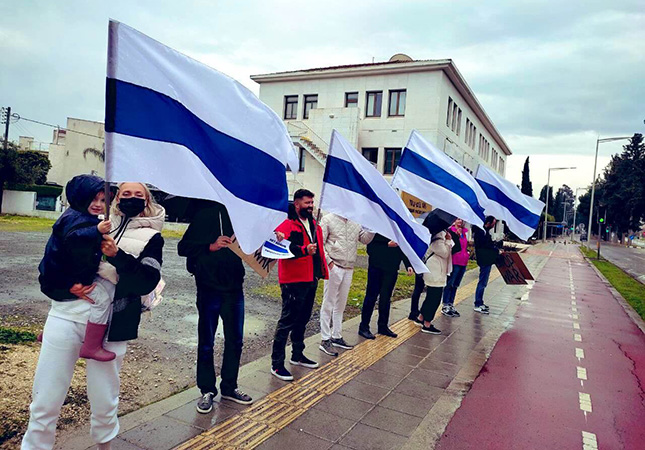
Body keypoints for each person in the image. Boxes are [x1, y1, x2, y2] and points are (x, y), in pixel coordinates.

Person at [22, 182, 165, 450]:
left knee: (104, 397)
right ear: (116, 198)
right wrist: (67, 286)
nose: (131, 199)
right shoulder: (87, 221)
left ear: (147, 201)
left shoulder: (152, 238)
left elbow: (146, 281)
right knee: (45, 397)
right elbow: (49, 266)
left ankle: (104, 445)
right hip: (64, 316)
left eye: (139, 195)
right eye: (125, 194)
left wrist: (117, 256)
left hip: (113, 325)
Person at [177, 200, 253, 413]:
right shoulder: (205, 215)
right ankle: (207, 390)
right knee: (207, 342)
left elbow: (255, 246)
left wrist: (275, 239)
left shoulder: (241, 218)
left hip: (234, 289)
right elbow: (182, 248)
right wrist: (210, 246)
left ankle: (229, 386)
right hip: (208, 288)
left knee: (236, 340)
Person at [37, 175, 115, 361]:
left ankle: (48, 333)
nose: (98, 204)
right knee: (103, 300)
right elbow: (74, 239)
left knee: (64, 313)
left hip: (59, 276)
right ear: (80, 197)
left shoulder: (77, 215)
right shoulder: (78, 220)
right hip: (63, 279)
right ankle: (92, 346)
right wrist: (96, 231)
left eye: (104, 200)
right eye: (93, 199)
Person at [271, 189, 329, 381]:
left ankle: (297, 354)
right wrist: (302, 248)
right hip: (292, 280)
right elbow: (282, 245)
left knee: (302, 319)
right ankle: (277, 364)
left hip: (310, 278)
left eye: (312, 203)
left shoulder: (314, 224)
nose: (310, 206)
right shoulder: (288, 223)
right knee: (287, 320)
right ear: (296, 204)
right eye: (306, 203)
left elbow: (318, 250)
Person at [318, 213, 373, 356]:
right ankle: (325, 338)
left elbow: (365, 239)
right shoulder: (328, 219)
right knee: (328, 303)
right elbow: (320, 243)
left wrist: (374, 226)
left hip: (348, 267)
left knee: (340, 305)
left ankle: (336, 335)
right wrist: (329, 262)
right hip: (334, 265)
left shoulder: (355, 220)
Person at [359, 234, 414, 340]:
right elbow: (370, 249)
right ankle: (364, 326)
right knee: (371, 296)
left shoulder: (397, 228)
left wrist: (408, 264)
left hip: (392, 267)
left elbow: (402, 246)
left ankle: (383, 326)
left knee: (386, 297)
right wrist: (387, 245)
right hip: (376, 266)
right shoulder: (377, 227)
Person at [416, 230, 453, 334]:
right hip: (435, 273)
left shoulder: (437, 237)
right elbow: (445, 253)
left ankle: (421, 318)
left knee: (430, 297)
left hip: (436, 272)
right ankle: (427, 324)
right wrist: (448, 240)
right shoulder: (436, 240)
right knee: (434, 299)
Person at [441, 219, 469, 317]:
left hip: (463, 261)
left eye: (461, 219)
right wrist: (456, 236)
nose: (460, 221)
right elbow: (452, 245)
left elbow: (465, 246)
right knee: (450, 282)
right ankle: (445, 304)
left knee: (456, 284)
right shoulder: (450, 231)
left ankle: (451, 303)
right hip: (455, 260)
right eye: (458, 219)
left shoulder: (465, 232)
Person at [473, 216, 500, 314]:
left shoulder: (484, 231)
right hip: (484, 260)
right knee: (482, 282)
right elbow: (484, 246)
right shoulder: (481, 232)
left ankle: (480, 302)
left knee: (483, 282)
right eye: (493, 223)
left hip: (486, 260)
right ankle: (477, 303)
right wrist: (495, 249)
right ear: (488, 223)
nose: (494, 225)